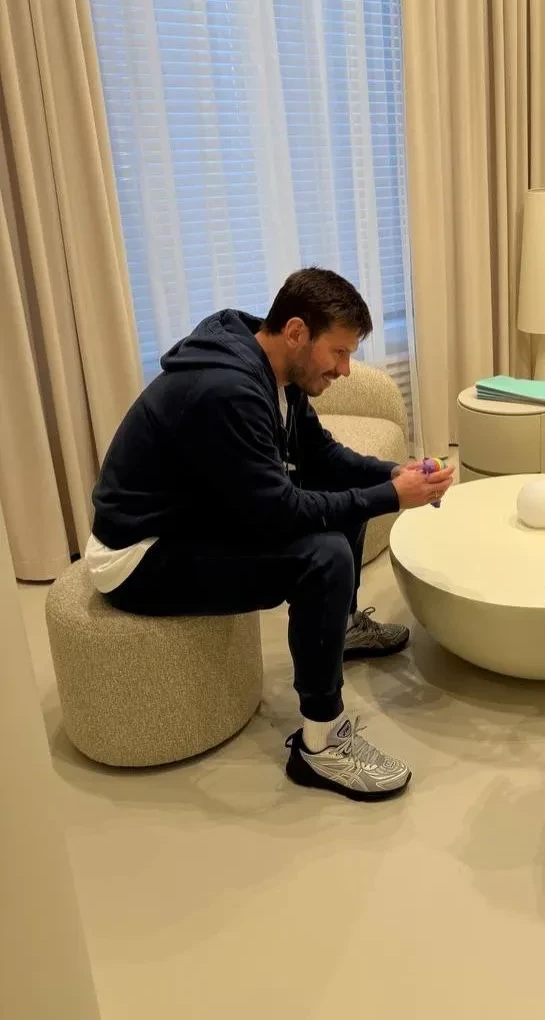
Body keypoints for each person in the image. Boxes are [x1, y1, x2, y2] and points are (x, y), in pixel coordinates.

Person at [87, 268, 454, 801]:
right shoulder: (228, 391)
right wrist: (392, 497)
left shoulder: (275, 371)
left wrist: (392, 474)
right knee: (324, 556)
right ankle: (320, 747)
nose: (345, 369)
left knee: (340, 500)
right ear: (298, 332)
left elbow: (322, 458)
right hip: (139, 554)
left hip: (192, 518)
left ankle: (341, 629)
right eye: (339, 352)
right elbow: (279, 515)